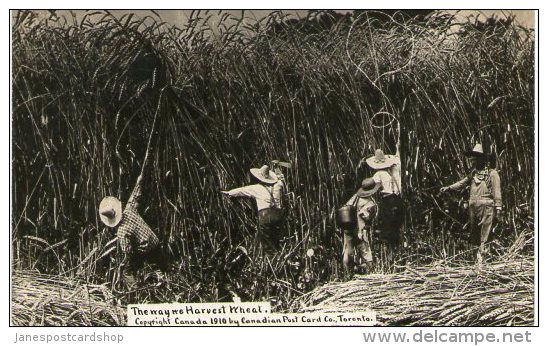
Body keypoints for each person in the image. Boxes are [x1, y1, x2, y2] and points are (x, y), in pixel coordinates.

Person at [99, 170, 164, 288]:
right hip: (156, 242)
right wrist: (141, 176)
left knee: (126, 271)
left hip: (146, 250)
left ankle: (135, 290)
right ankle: (160, 279)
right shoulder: (129, 209)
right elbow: (137, 192)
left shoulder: (122, 231)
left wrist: (124, 261)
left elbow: (128, 251)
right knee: (155, 266)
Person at [440, 143, 502, 264]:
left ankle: (484, 262)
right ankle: (477, 261)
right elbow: (462, 183)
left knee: (486, 235)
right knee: (475, 235)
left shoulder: (492, 174)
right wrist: (449, 188)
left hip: (487, 207)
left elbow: (497, 191)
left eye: (477, 157)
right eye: (473, 157)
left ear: (483, 159)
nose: (474, 160)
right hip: (473, 207)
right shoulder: (473, 174)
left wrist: (498, 208)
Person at [221, 165, 285, 255]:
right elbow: (281, 180)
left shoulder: (256, 188)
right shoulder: (278, 186)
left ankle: (272, 258)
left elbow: (242, 190)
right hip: (278, 214)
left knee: (267, 240)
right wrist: (278, 175)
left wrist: (229, 193)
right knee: (275, 238)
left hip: (265, 215)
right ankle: (279, 256)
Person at [364, 144, 403, 246]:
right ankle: (397, 244)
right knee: (396, 223)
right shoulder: (396, 170)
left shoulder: (379, 174)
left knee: (386, 222)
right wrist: (398, 148)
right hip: (398, 199)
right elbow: (397, 159)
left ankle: (388, 245)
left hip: (387, 200)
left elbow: (371, 185)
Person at [342, 178, 379, 278]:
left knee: (347, 251)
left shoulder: (355, 197)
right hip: (359, 229)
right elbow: (365, 216)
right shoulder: (370, 203)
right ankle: (371, 274)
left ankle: (347, 275)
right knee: (365, 251)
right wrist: (362, 230)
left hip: (348, 227)